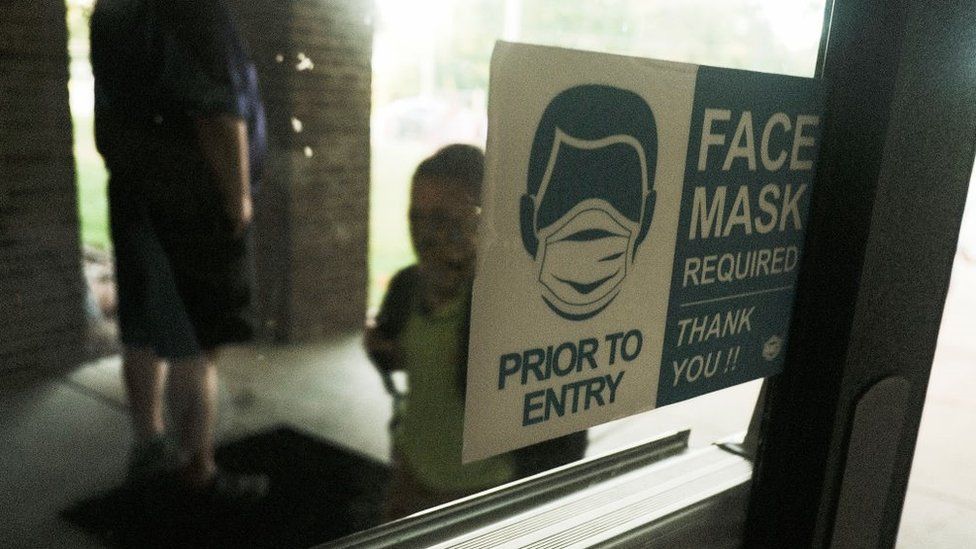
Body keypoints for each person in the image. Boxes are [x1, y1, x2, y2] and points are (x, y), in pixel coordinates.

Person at [90, 0, 267, 501]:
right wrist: (238, 198)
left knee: (143, 330)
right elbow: (214, 109)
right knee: (195, 343)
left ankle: (148, 446)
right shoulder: (195, 10)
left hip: (134, 191)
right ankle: (198, 471)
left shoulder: (110, 10)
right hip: (190, 200)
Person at [365, 144, 586, 520]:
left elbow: (561, 421)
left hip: (483, 497)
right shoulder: (407, 286)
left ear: (482, 221)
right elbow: (401, 350)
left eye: (444, 219)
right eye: (417, 218)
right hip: (412, 478)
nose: (426, 236)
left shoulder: (510, 305)